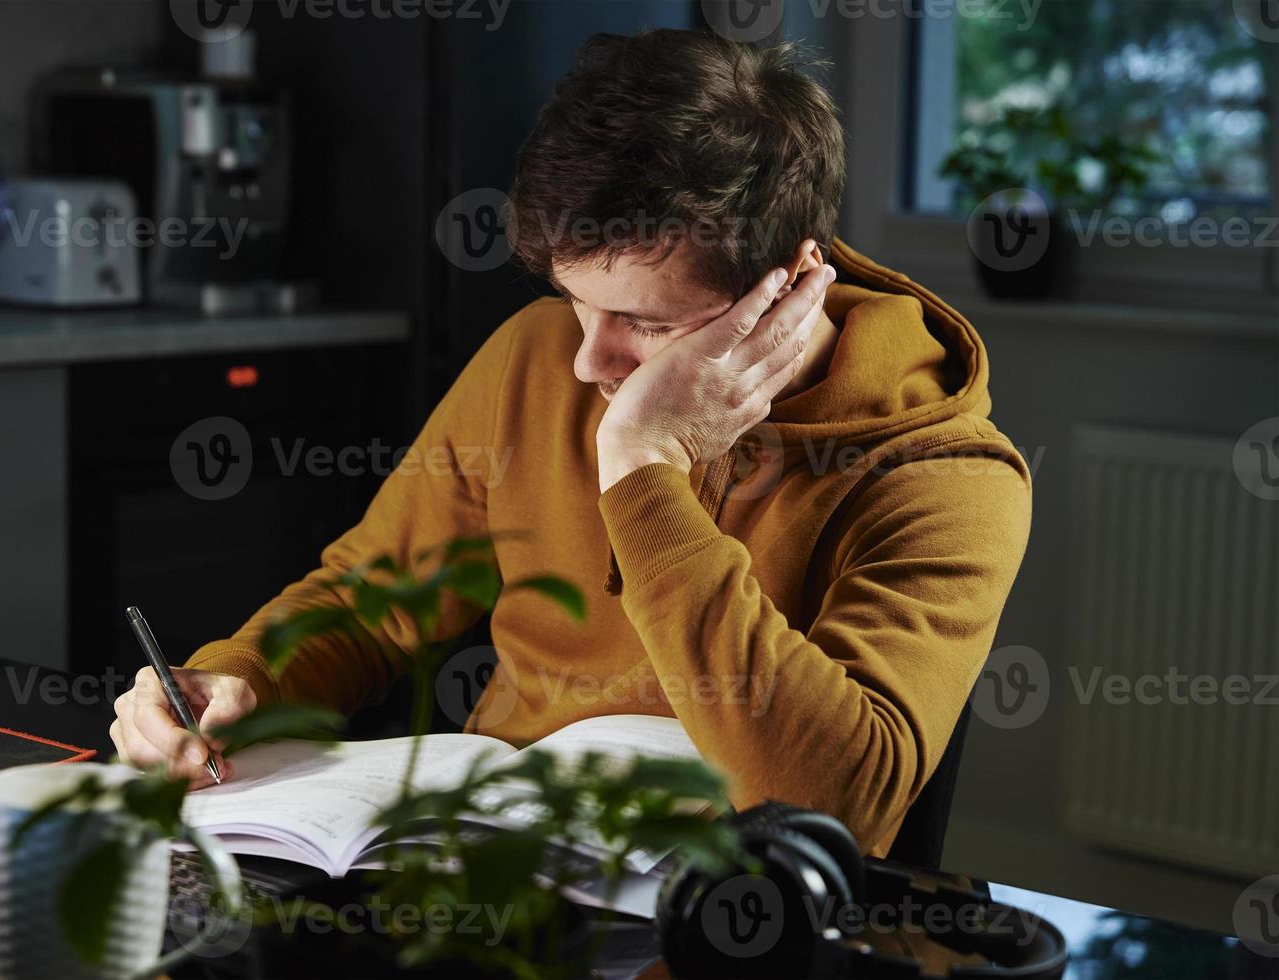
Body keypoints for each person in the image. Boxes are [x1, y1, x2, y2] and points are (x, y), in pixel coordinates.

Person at [110, 28, 1032, 857]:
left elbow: (835, 803)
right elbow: (366, 602)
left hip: (734, 915)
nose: (589, 360)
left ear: (788, 281)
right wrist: (231, 681)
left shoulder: (948, 475)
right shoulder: (538, 356)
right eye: (575, 301)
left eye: (640, 320)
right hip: (498, 874)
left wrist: (642, 473)